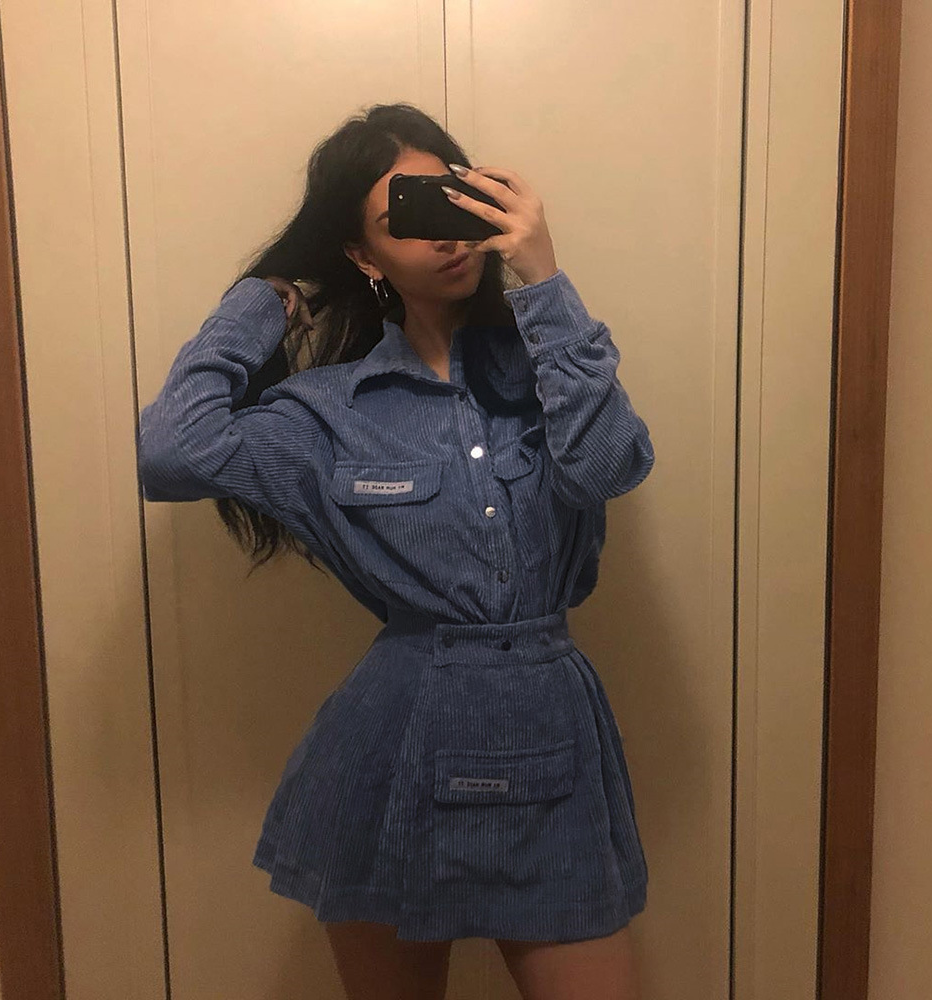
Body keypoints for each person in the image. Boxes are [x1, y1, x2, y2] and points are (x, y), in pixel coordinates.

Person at [137, 102, 655, 1000]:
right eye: (405, 219)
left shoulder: (555, 369)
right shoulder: (329, 412)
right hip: (392, 748)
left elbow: (609, 467)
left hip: (552, 737)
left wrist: (542, 278)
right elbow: (172, 454)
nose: (444, 236)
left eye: (451, 200)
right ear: (365, 256)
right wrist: (264, 299)